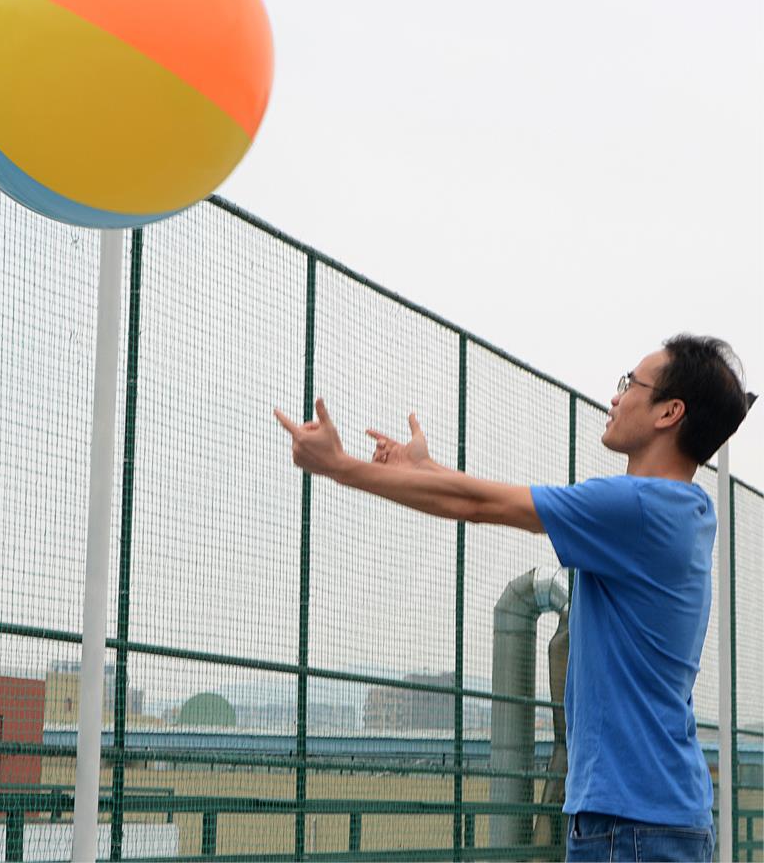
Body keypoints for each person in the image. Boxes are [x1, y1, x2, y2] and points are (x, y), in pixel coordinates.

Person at [274, 334, 754, 863]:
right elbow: (482, 497)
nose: (616, 397)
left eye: (630, 384)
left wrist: (338, 466)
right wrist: (423, 471)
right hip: (655, 817)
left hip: (631, 824)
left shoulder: (637, 509)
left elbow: (481, 505)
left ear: (670, 412)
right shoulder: (683, 510)